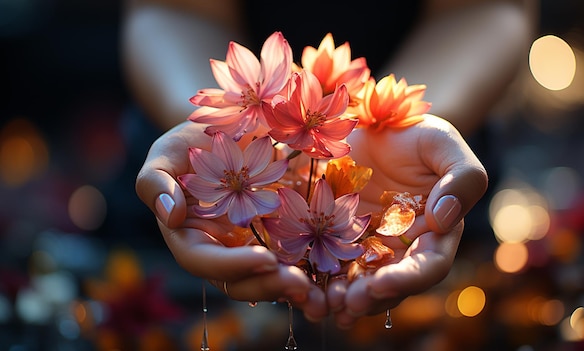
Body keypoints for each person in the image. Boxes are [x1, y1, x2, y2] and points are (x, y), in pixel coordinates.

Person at [124, 0, 535, 329]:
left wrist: (392, 131)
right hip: (173, 229)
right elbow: (173, 8)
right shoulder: (229, 146)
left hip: (430, 210)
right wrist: (223, 138)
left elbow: (485, 7)